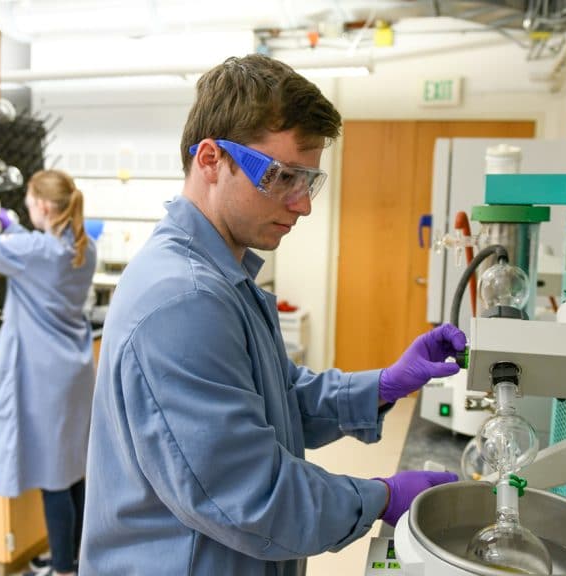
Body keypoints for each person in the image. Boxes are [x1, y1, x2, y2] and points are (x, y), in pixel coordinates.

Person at [79, 54, 466, 575]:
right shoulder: (184, 300)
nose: (302, 204)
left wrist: (383, 385)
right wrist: (380, 497)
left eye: (308, 180)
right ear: (211, 159)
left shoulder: (222, 276)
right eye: (282, 176)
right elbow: (253, 497)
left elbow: (277, 401)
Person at [0, 170, 97, 576]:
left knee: (53, 477)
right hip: (76, 372)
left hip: (44, 375)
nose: (27, 209)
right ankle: (80, 557)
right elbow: (38, 254)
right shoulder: (86, 248)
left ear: (44, 207)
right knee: (75, 470)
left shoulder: (31, 250)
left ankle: (63, 569)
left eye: (29, 202)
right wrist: (12, 229)